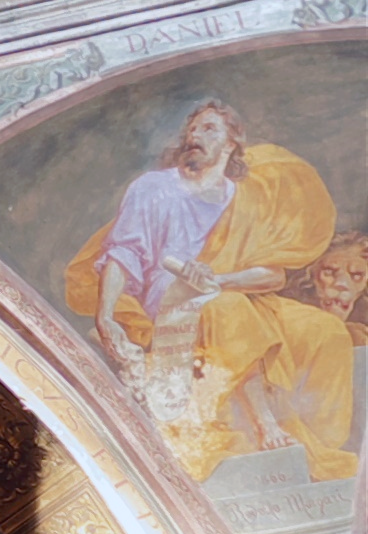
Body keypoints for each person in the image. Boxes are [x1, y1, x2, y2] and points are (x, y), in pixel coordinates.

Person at [64, 96, 354, 481]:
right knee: (226, 309)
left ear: (232, 142)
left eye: (208, 128)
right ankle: (266, 424)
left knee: (325, 331)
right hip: (171, 301)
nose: (194, 135)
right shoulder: (153, 189)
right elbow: (123, 254)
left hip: (232, 293)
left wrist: (218, 280)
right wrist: (106, 315)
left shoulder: (245, 199)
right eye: (192, 129)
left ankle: (323, 446)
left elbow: (272, 275)